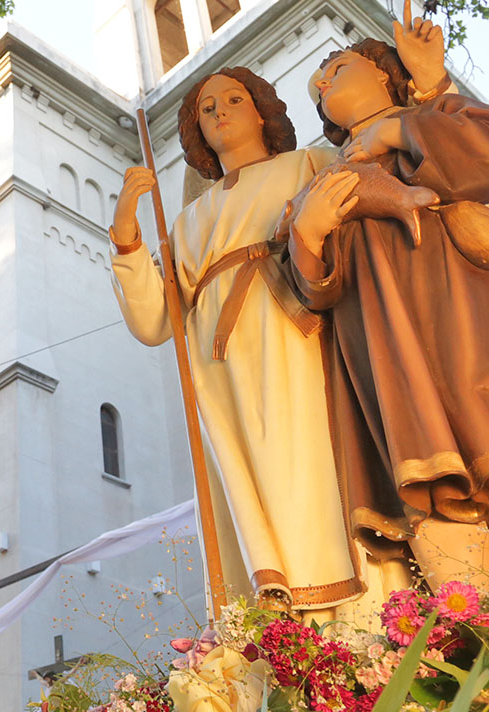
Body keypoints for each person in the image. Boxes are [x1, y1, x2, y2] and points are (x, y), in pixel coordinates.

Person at [288, 12, 489, 592]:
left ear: (384, 75)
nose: (321, 82)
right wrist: (308, 233)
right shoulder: (323, 179)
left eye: (337, 67)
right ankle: (480, 632)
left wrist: (414, 109)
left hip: (459, 308)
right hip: (382, 346)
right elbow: (316, 289)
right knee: (425, 474)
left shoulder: (430, 119)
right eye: (318, 82)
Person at [111, 66, 407, 620]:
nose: (220, 112)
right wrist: (127, 233)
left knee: (310, 457)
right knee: (246, 484)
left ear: (262, 110)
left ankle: (364, 617)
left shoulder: (308, 164)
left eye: (233, 99)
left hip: (295, 329)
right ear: (197, 132)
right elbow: (153, 323)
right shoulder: (186, 222)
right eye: (207, 109)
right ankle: (277, 632)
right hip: (218, 365)